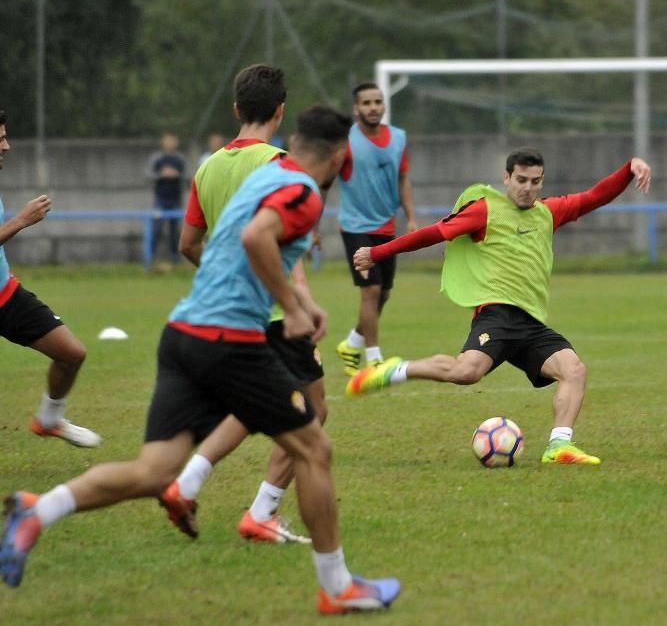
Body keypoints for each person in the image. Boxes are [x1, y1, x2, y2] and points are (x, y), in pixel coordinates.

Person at [0, 105, 401, 616]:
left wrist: (298, 303)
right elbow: (256, 239)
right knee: (314, 447)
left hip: (182, 334)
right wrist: (294, 308)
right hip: (227, 340)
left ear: (294, 139)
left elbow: (223, 240)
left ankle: (40, 509)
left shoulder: (270, 174)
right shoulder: (302, 192)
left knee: (153, 471)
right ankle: (337, 585)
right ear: (342, 156)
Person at [348, 147, 652, 465]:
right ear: (506, 178)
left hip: (531, 322)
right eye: (521, 179)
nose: (528, 188)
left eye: (535, 181)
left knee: (574, 370)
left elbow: (595, 197)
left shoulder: (550, 211)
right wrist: (377, 253)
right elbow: (433, 233)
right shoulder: (485, 210)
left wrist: (629, 167)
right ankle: (393, 371)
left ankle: (558, 447)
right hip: (497, 315)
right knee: (466, 373)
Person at [165, 64, 322, 544]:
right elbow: (282, 248)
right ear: (280, 110)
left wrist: (224, 277)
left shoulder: (208, 167)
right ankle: (262, 512)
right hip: (277, 312)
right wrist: (300, 302)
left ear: (236, 110)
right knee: (313, 414)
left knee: (260, 406)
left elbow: (188, 243)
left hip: (235, 315)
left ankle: (188, 483)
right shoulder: (280, 166)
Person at [0, 109, 100, 448]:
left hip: (4, 296)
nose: (7, 146)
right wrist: (21, 220)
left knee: (72, 353)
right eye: (0, 139)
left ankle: (49, 418)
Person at [332, 82, 416, 375]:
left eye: (377, 102)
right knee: (371, 290)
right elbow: (323, 182)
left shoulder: (399, 138)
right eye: (366, 103)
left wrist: (412, 217)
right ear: (356, 108)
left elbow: (403, 178)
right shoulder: (345, 141)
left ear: (383, 105)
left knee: (383, 295)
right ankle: (374, 360)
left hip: (386, 227)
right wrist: (313, 228)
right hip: (355, 226)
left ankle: (352, 343)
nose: (373, 107)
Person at [146, 131, 188, 263]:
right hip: (160, 200)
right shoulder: (156, 158)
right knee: (156, 228)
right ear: (163, 142)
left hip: (176, 199)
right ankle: (150, 257)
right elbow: (147, 175)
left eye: (172, 140)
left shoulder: (180, 159)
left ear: (176, 142)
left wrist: (177, 175)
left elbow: (190, 177)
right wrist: (161, 174)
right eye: (167, 140)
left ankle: (175, 259)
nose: (170, 143)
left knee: (175, 231)